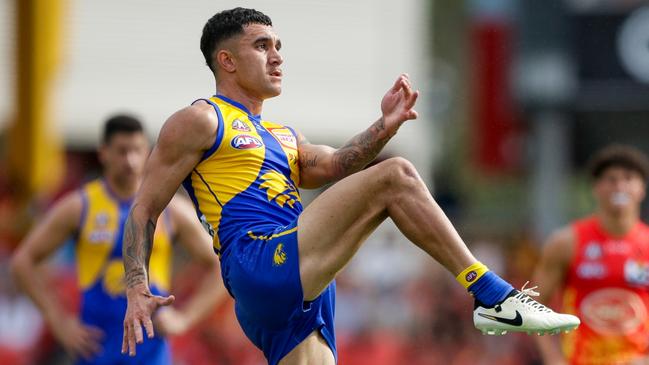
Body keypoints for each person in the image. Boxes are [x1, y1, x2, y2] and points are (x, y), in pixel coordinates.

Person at [121, 8, 580, 365]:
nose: (278, 56)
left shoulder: (283, 135)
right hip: (262, 260)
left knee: (386, 174)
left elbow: (339, 164)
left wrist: (384, 126)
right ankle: (493, 296)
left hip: (301, 276)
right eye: (262, 46)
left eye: (279, 45)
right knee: (395, 177)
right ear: (227, 60)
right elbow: (144, 208)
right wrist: (136, 286)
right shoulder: (201, 119)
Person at [10, 115, 225, 365]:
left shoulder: (170, 209)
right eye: (122, 151)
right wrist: (60, 322)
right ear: (104, 153)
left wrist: (185, 319)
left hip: (151, 351)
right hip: (95, 348)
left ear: (148, 152)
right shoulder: (80, 206)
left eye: (137, 150)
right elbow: (22, 262)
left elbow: (220, 266)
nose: (131, 161)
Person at [534, 145, 649, 365]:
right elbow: (533, 305)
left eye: (628, 178)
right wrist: (553, 358)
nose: (620, 186)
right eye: (611, 179)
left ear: (642, 188)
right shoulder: (566, 242)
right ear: (596, 188)